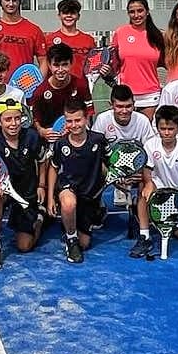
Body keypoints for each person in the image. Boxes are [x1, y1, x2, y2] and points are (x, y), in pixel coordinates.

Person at [0, 97, 49, 269]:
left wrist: (41, 185)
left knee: (24, 246)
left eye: (17, 118)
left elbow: (43, 160)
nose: (13, 123)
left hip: (27, 191)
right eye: (8, 119)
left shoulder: (32, 136)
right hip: (4, 191)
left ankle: (40, 217)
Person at [47, 98, 110, 264]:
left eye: (78, 120)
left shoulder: (98, 140)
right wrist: (49, 198)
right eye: (69, 121)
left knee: (86, 243)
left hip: (89, 195)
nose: (74, 125)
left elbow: (111, 165)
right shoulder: (60, 144)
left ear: (86, 119)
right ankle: (71, 239)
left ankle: (81, 220)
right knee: (68, 203)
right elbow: (53, 168)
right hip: (68, 188)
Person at [130, 105, 178, 258]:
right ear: (158, 128)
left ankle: (159, 217)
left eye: (171, 129)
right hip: (158, 189)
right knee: (143, 187)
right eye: (163, 128)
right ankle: (144, 235)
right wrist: (148, 184)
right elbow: (147, 171)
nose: (166, 133)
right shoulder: (150, 145)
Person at [92, 84, 156, 207]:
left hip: (137, 167)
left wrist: (142, 173)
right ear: (111, 105)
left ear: (134, 104)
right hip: (111, 167)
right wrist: (112, 173)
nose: (124, 111)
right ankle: (96, 207)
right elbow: (95, 152)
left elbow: (151, 150)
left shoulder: (142, 120)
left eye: (128, 106)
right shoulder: (102, 120)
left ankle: (140, 205)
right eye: (120, 107)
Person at [111, 0, 166, 118]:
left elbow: (167, 63)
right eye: (132, 12)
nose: (136, 15)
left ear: (147, 12)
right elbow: (114, 63)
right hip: (125, 95)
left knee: (146, 133)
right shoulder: (120, 32)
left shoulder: (158, 36)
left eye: (140, 11)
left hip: (150, 95)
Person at [30, 43, 93, 142]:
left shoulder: (81, 84)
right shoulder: (40, 92)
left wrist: (79, 127)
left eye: (64, 65)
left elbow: (89, 112)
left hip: (76, 135)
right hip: (52, 139)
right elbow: (35, 119)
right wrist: (42, 131)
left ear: (71, 64)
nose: (60, 70)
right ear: (49, 66)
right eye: (56, 65)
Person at [45, 0, 96, 82]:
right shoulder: (49, 39)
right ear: (59, 16)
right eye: (65, 13)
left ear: (78, 16)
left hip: (81, 87)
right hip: (57, 88)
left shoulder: (88, 40)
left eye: (72, 13)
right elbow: (45, 64)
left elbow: (93, 66)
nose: (69, 16)